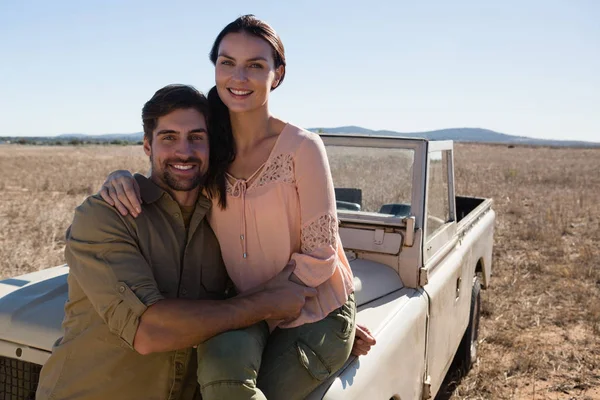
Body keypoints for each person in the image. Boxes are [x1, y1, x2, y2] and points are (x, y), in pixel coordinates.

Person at [100, 15, 376, 400]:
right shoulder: (211, 148)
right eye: (227, 63)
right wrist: (120, 176)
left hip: (316, 310)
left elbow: (321, 255)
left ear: (276, 75)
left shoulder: (303, 148)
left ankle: (338, 348)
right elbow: (173, 176)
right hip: (247, 311)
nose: (239, 77)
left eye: (255, 65)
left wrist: (293, 310)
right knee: (218, 382)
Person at [36, 84, 318, 400]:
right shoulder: (107, 214)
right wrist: (266, 305)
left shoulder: (224, 222)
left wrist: (322, 327)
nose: (184, 151)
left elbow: (263, 280)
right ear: (147, 146)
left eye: (197, 138)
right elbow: (149, 330)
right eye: (169, 137)